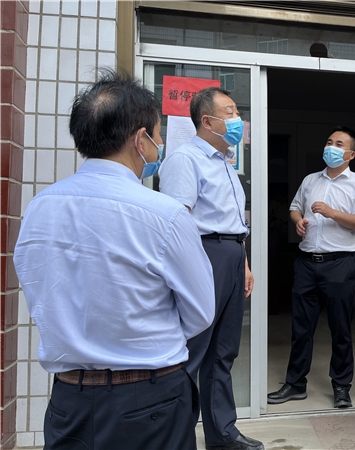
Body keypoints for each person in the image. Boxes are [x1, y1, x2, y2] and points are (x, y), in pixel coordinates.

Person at [13, 70, 216, 450]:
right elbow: (201, 312)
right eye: (157, 136)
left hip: (68, 400)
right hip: (149, 398)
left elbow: (38, 290)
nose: (159, 146)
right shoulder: (164, 215)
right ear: (140, 140)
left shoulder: (40, 208)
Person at [159, 87, 262, 450]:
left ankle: (223, 434)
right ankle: (177, 435)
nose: (238, 119)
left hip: (231, 254)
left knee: (223, 351)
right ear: (207, 120)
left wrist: (244, 264)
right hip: (203, 255)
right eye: (230, 112)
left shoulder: (224, 163)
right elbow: (177, 222)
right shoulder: (185, 159)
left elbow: (233, 222)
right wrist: (191, 271)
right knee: (193, 350)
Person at [267, 126, 355, 409]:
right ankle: (295, 383)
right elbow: (294, 207)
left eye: (339, 144)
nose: (331, 147)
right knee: (301, 328)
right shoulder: (310, 180)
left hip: (340, 263)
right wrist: (298, 220)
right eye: (329, 142)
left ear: (350, 154)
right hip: (306, 262)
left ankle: (341, 387)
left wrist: (331, 212)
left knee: (341, 329)